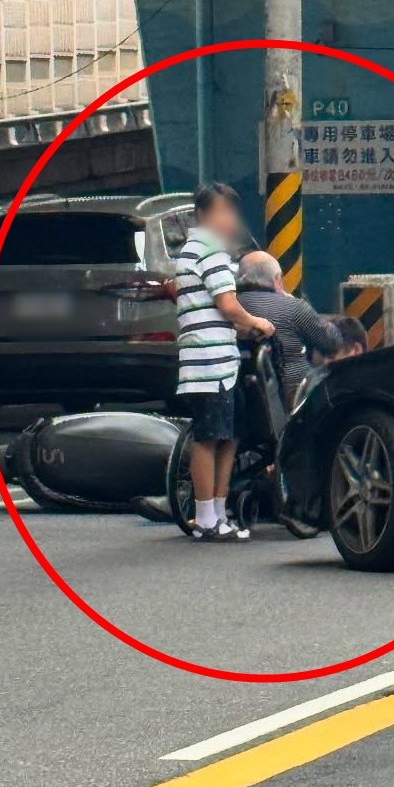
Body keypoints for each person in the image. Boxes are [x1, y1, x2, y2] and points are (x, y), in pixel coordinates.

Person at [174, 183, 275, 541]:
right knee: (211, 437)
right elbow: (229, 306)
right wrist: (258, 323)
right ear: (202, 215)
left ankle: (217, 512)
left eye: (229, 212)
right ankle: (205, 517)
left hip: (211, 357)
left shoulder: (189, 250)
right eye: (220, 212)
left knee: (227, 437)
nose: (227, 220)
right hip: (211, 360)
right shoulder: (210, 251)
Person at [235, 251, 343, 405]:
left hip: (240, 397)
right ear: (276, 279)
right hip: (292, 398)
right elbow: (333, 341)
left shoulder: (227, 309)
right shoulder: (292, 307)